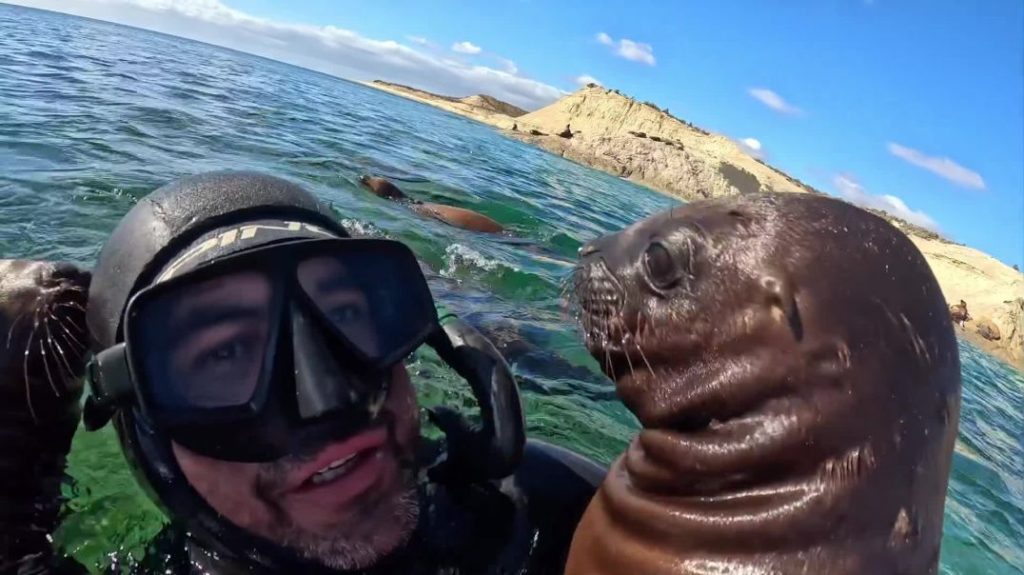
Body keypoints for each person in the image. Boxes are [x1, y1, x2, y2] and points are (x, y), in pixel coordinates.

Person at [79, 171, 605, 574]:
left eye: (347, 317)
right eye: (227, 352)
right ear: (143, 426)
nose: (329, 397)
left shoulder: (565, 514)